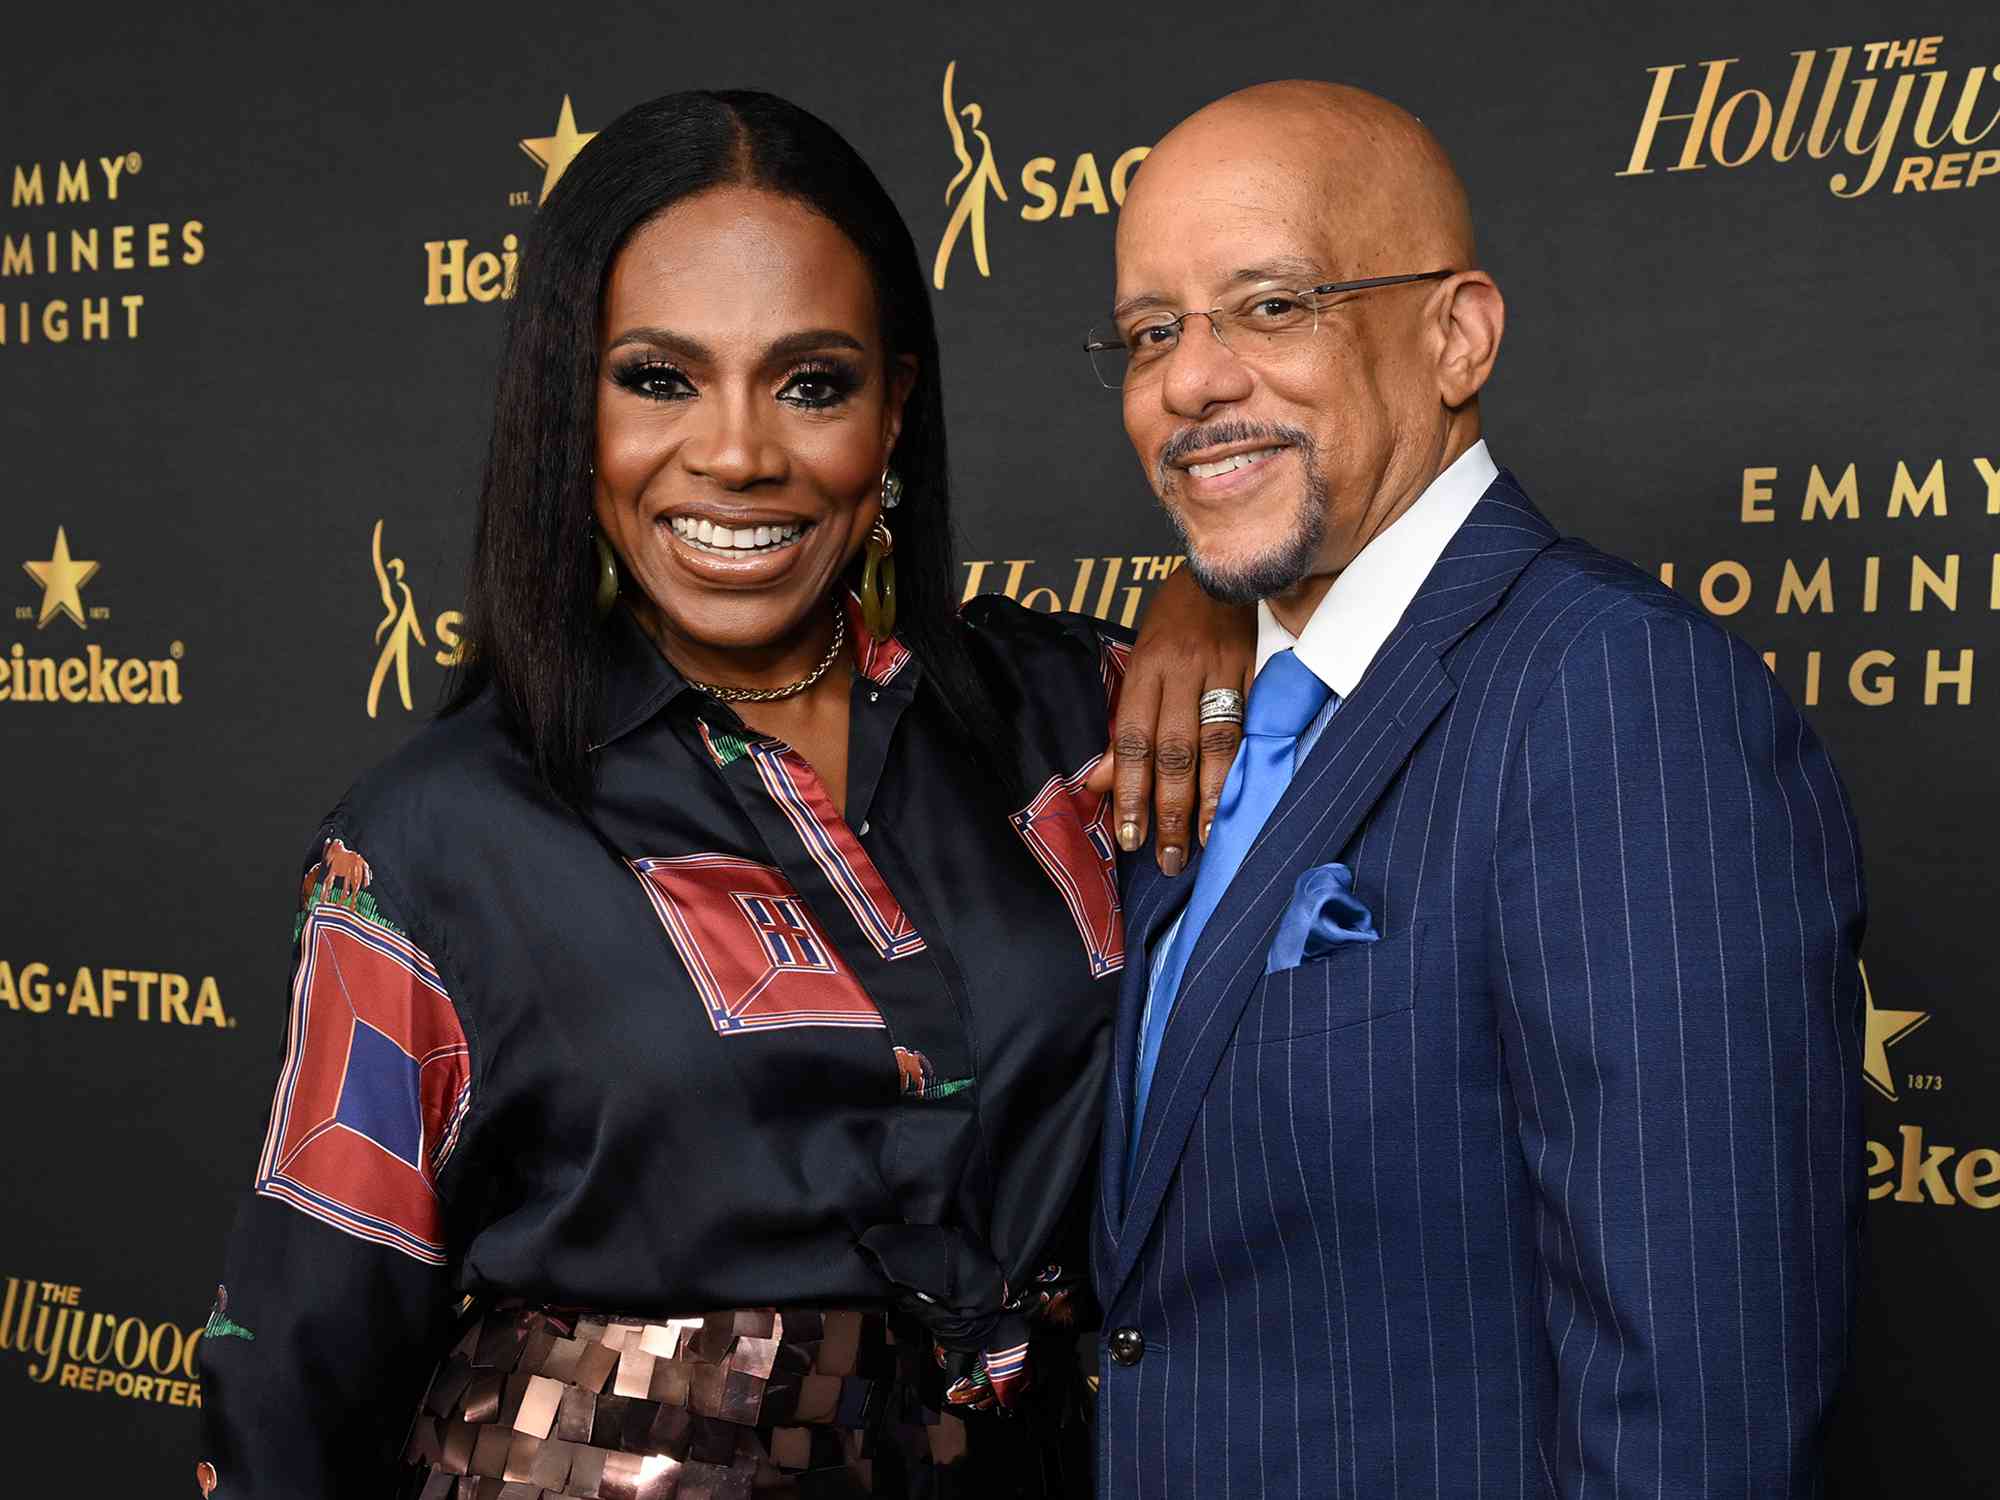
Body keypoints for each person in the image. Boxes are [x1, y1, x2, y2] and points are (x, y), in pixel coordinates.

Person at [196, 90, 1253, 1499]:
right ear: (568, 410)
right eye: (658, 378)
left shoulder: (1076, 716)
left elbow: (1388, 619)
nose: (740, 452)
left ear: (895, 410)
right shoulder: (433, 841)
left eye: (811, 382)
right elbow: (300, 1360)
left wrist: (1225, 594)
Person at [1088, 81, 1865, 1498]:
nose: (1191, 380)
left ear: (1456, 336)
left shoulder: (1617, 701)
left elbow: (1697, 1407)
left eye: (1270, 307)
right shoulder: (1197, 716)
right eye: (1153, 332)